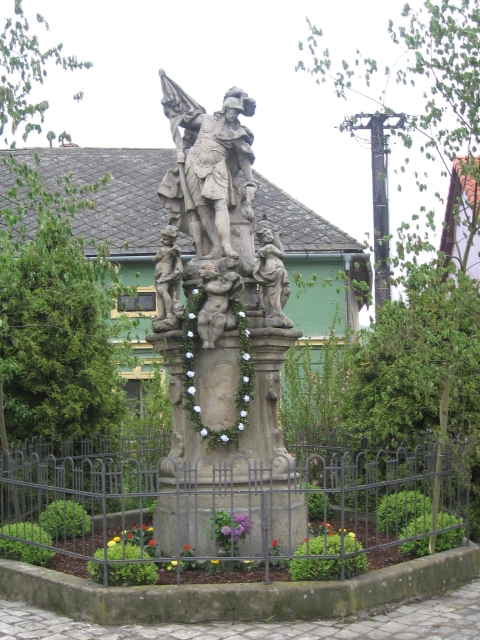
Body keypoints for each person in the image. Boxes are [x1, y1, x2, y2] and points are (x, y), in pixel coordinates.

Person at [158, 75, 258, 261]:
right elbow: (184, 119)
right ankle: (215, 248)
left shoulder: (236, 131)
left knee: (220, 204)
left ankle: (226, 245)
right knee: (202, 209)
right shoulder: (206, 120)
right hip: (193, 165)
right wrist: (172, 105)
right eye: (232, 110)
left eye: (237, 112)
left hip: (217, 167)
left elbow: (243, 156)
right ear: (225, 108)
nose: (234, 114)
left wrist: (250, 178)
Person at [253, 228, 294, 329]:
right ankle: (275, 313)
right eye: (265, 235)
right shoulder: (270, 247)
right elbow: (282, 254)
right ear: (262, 239)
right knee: (274, 292)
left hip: (276, 270)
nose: (268, 236)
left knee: (281, 291)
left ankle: (276, 313)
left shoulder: (264, 249)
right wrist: (277, 238)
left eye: (269, 234)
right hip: (274, 270)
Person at [197, 262, 244, 349]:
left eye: (214, 267)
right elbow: (222, 290)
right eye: (210, 268)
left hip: (220, 312)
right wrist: (230, 281)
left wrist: (235, 277)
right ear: (205, 275)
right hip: (207, 311)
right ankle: (205, 340)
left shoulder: (222, 281)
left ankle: (212, 340)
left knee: (220, 323)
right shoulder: (208, 286)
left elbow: (232, 287)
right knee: (201, 322)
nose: (215, 268)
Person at [153, 225, 183, 330]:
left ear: (171, 239)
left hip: (165, 274)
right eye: (162, 238)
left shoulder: (165, 250)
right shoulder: (169, 249)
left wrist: (174, 248)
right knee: (159, 294)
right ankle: (161, 314)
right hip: (159, 274)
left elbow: (155, 259)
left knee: (162, 291)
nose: (161, 240)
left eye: (165, 239)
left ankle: (169, 313)